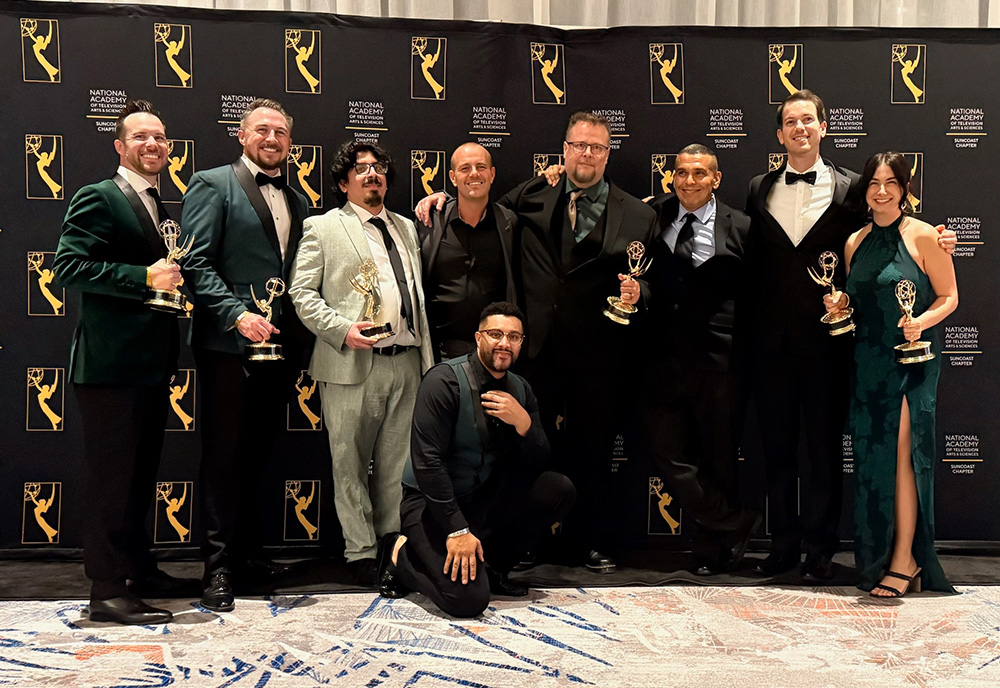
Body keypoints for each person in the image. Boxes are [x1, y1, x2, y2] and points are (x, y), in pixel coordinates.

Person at [417, 112, 655, 573]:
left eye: (597, 147)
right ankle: (522, 539)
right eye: (578, 145)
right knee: (521, 447)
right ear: (563, 150)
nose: (587, 154)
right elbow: (478, 203)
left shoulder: (640, 214)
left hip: (599, 355)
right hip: (534, 353)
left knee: (592, 449)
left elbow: (655, 281)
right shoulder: (531, 195)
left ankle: (588, 540)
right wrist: (440, 200)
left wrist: (640, 293)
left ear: (609, 153)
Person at [744, 90, 956, 581]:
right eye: (789, 122)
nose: (799, 128)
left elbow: (895, 229)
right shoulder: (757, 187)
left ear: (823, 127)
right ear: (779, 134)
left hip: (832, 345)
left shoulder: (851, 187)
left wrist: (943, 239)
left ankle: (820, 550)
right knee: (776, 450)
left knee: (823, 451)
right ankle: (783, 547)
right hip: (771, 342)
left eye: (808, 120)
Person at [53, 99, 198, 625]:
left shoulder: (159, 204)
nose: (153, 144)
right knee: (112, 479)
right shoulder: (100, 197)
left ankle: (139, 568)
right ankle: (107, 590)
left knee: (139, 476)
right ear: (119, 146)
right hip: (110, 367)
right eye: (140, 137)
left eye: (160, 137)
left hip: (151, 364)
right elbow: (67, 266)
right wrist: (143, 278)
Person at [181, 98, 312, 612]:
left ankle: (249, 556)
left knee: (259, 453)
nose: (272, 138)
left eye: (281, 132)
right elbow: (194, 262)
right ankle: (216, 569)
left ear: (290, 142)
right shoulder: (212, 183)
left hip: (278, 349)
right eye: (262, 129)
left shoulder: (298, 200)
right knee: (223, 457)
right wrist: (238, 315)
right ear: (241, 135)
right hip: (227, 347)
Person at [288, 140, 433, 585]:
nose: (372, 174)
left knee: (396, 464)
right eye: (361, 168)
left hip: (408, 360)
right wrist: (342, 330)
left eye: (379, 167)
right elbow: (301, 293)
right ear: (343, 182)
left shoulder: (408, 228)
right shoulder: (322, 227)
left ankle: (392, 545)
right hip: (351, 361)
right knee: (348, 461)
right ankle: (360, 551)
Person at [377, 302, 575, 617]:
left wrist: (523, 422)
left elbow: (540, 459)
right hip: (431, 506)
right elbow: (428, 463)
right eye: (495, 334)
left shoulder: (521, 389)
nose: (504, 343)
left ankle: (494, 568)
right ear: (478, 337)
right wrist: (456, 530)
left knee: (557, 488)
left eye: (513, 337)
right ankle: (399, 555)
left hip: (480, 500)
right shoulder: (443, 381)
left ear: (521, 343)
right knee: (467, 600)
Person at [823, 152, 957, 597]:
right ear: (864, 188)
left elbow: (949, 296)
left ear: (905, 187)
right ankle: (879, 557)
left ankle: (907, 559)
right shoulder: (854, 242)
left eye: (891, 182)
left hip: (910, 362)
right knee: (873, 463)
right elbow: (857, 300)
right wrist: (840, 307)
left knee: (903, 462)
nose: (882, 190)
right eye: (875, 182)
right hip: (866, 364)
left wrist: (922, 322)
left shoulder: (925, 237)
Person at [642, 145, 760, 575]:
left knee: (718, 457)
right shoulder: (651, 215)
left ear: (716, 179)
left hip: (719, 360)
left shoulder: (743, 226)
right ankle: (735, 521)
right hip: (661, 358)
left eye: (699, 173)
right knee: (667, 451)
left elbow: (757, 293)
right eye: (681, 173)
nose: (688, 181)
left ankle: (712, 550)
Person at [417, 142, 517, 362]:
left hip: (493, 351)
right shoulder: (429, 222)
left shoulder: (510, 224)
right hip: (439, 352)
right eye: (465, 168)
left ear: (492, 174)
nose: (474, 174)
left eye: (481, 167)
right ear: (453, 177)